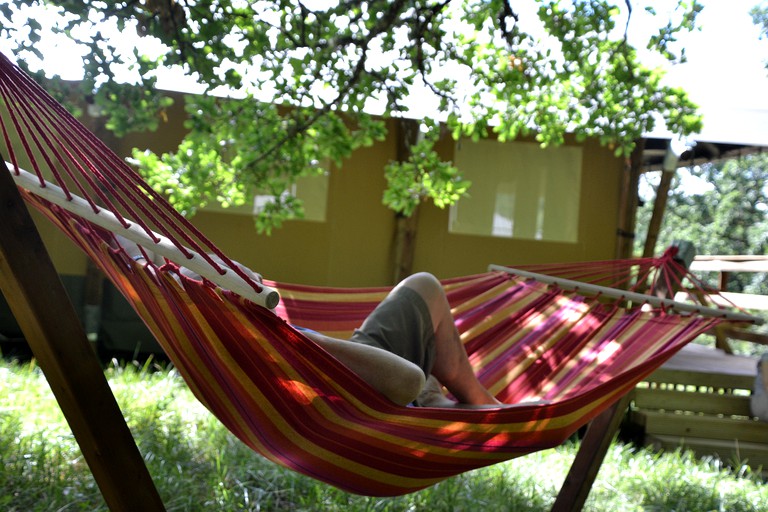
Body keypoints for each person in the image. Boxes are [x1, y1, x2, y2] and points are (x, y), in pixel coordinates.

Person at [115, 236, 503, 408]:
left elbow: (138, 248)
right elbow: (404, 382)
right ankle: (463, 403)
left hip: (355, 361)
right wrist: (281, 334)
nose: (239, 274)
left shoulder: (226, 319)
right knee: (418, 380)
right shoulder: (251, 341)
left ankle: (462, 401)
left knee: (424, 286)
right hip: (363, 385)